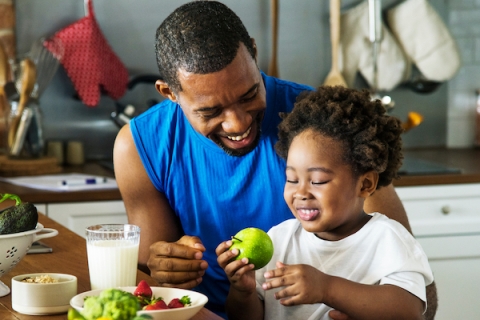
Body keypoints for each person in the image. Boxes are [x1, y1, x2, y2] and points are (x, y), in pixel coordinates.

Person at [113, 1, 437, 318]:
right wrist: (169, 267)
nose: (238, 124)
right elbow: (150, 285)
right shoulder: (140, 145)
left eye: (249, 95)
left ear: (254, 52)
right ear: (169, 93)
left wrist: (343, 296)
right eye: (210, 111)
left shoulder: (324, 128)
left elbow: (420, 299)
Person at [216, 85, 434, 320]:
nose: (301, 192)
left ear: (365, 185)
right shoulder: (280, 240)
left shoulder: (387, 238)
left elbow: (409, 311)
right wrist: (243, 291)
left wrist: (326, 288)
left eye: (318, 181)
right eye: (292, 179)